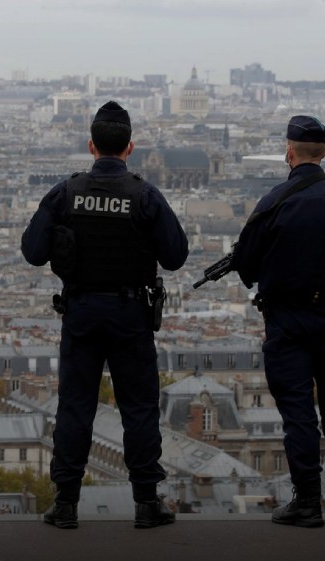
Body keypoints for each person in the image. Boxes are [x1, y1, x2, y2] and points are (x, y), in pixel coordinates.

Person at [21, 101, 189, 529]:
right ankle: (148, 502)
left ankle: (65, 504)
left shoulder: (66, 192)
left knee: (76, 407)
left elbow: (32, 251)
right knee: (139, 408)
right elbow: (175, 256)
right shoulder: (145, 195)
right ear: (130, 147)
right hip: (131, 312)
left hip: (80, 310)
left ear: (90, 146)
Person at [232, 115, 325, 527]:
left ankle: (307, 501)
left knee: (298, 412)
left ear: (289, 151)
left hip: (288, 321)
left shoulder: (272, 203)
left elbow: (246, 266)